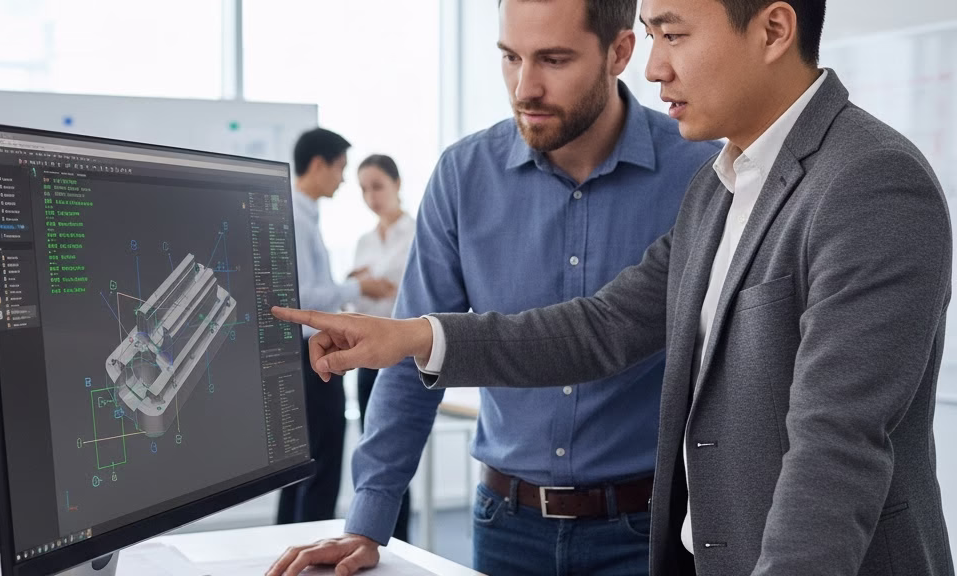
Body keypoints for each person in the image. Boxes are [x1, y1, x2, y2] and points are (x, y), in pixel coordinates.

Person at [272, 0, 957, 574]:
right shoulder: (722, 187)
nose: (657, 67)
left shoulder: (868, 183)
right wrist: (415, 336)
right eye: (655, 37)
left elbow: (832, 454)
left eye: (675, 34)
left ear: (774, 31)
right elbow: (601, 328)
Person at [265, 0, 719, 573]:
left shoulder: (699, 173)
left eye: (553, 59)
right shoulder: (463, 176)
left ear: (620, 53)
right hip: (506, 526)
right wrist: (368, 520)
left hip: (646, 529)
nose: (525, 87)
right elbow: (409, 357)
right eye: (511, 57)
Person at [277, 128, 397, 525]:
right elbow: (304, 299)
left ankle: (288, 547)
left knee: (300, 467)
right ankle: (305, 549)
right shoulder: (298, 216)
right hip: (309, 360)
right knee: (318, 467)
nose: (343, 181)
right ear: (318, 165)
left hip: (309, 357)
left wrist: (346, 283)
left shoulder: (301, 214)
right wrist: (359, 285)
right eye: (341, 169)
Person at [350, 154, 416, 542]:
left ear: (396, 184)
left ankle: (400, 541)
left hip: (402, 355)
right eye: (363, 189)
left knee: (396, 451)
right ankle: (370, 533)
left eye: (377, 186)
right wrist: (371, 286)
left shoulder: (417, 232)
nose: (371, 196)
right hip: (365, 355)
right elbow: (361, 299)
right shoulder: (363, 241)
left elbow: (409, 293)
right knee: (370, 450)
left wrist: (369, 283)